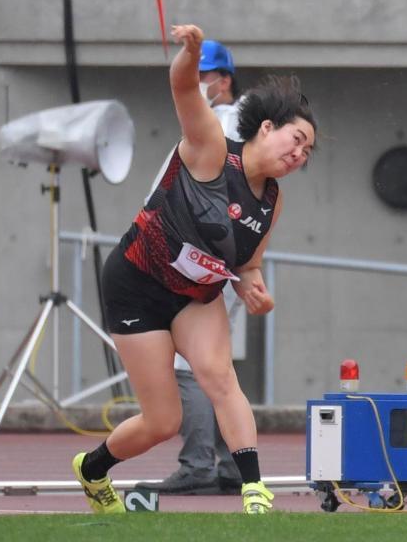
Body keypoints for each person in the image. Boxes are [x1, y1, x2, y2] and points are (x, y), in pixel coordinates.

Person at [72, 24, 316, 515]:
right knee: (163, 421)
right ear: (267, 127)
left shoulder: (272, 201)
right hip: (137, 284)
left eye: (308, 152)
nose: (299, 154)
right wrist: (191, 53)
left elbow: (248, 264)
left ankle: (253, 490)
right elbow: (184, 88)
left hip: (194, 296)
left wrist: (256, 289)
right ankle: (93, 469)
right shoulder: (210, 146)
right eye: (297, 139)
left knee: (221, 378)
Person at [147, 38, 245, 495]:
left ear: (223, 80)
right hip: (221, 255)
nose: (196, 85)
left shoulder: (225, 121)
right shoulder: (239, 121)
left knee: (190, 367)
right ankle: (228, 465)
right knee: (218, 367)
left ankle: (198, 464)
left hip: (194, 256)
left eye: (203, 77)